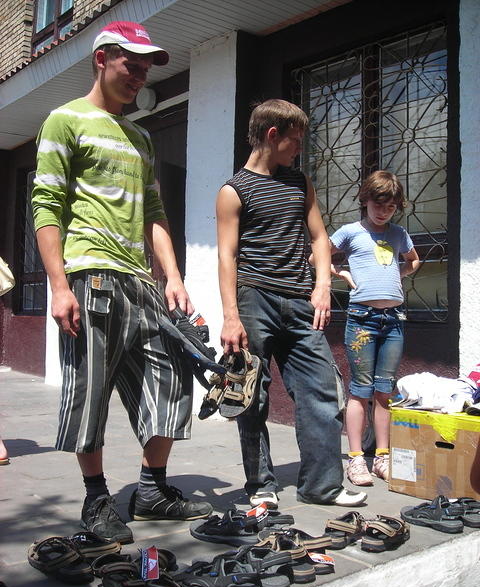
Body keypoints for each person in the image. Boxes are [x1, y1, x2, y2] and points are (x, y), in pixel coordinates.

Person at [32, 21, 212, 544]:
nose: (138, 74)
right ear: (101, 59)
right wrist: (59, 286)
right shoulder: (63, 121)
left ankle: (152, 488)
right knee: (90, 392)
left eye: (145, 66)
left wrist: (173, 277)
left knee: (173, 382)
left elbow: (154, 210)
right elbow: (45, 206)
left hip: (143, 285)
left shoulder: (140, 136)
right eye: (129, 63)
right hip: (90, 278)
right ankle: (96, 500)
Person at [216, 98, 367, 509]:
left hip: (301, 301)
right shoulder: (233, 191)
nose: (300, 148)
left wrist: (322, 286)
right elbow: (226, 256)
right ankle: (261, 485)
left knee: (321, 390)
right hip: (254, 300)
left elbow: (319, 238)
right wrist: (231, 316)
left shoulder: (300, 182)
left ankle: (322, 486)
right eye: (295, 140)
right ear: (271, 136)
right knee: (252, 395)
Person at [330, 170, 420, 486]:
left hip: (394, 321)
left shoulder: (398, 234)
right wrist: (341, 274)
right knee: (360, 390)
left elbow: (414, 260)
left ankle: (381, 456)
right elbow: (321, 256)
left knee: (384, 391)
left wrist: (396, 277)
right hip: (362, 320)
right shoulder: (350, 232)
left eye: (391, 207)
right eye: (378, 204)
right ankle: (356, 460)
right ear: (365, 200)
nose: (383, 212)